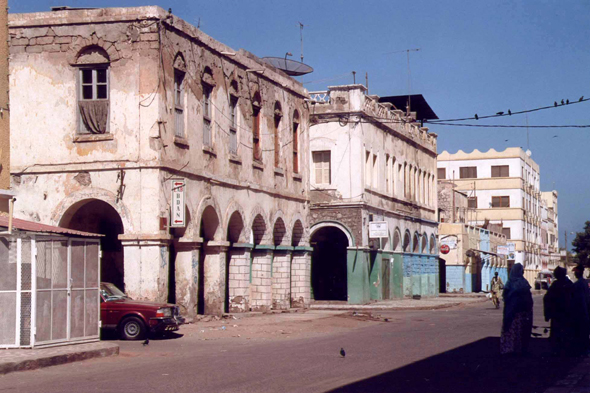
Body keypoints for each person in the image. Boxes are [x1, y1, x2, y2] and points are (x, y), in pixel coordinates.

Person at [500, 263, 533, 355]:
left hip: (512, 311)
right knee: (522, 330)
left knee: (510, 328)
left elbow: (505, 296)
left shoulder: (510, 282)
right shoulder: (524, 282)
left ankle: (509, 348)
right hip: (523, 312)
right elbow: (528, 298)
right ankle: (520, 348)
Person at [543, 266, 573, 356]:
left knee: (557, 333)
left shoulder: (556, 285)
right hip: (567, 313)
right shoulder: (569, 284)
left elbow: (547, 299)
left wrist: (547, 314)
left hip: (557, 314)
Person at [570, 264, 590, 356]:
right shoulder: (585, 283)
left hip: (580, 311)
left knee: (580, 331)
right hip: (585, 310)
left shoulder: (578, 285)